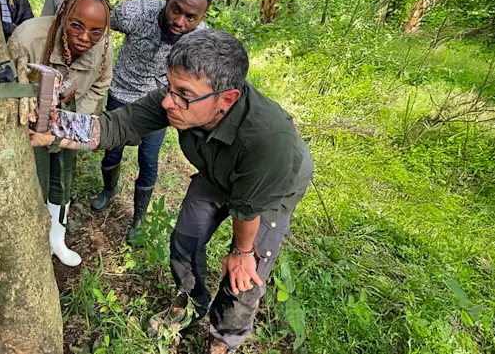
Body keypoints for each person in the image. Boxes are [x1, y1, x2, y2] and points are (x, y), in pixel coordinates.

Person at [29, 29, 314, 353]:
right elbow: (116, 126)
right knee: (185, 240)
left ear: (228, 98)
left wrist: (242, 253)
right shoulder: (179, 97)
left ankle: (223, 338)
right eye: (169, 85)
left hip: (268, 190)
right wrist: (52, 128)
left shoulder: (268, 139)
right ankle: (191, 301)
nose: (168, 101)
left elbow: (248, 210)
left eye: (182, 94)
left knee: (244, 277)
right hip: (215, 172)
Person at [90, 0, 215, 244]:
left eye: (191, 18)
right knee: (112, 152)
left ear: (201, 19)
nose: (179, 22)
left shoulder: (200, 40)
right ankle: (108, 191)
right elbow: (96, 28)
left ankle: (138, 218)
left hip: (159, 104)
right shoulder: (133, 13)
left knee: (149, 162)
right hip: (121, 93)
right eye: (175, 10)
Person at [12, 0, 113, 267]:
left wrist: (72, 122)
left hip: (69, 123)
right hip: (28, 128)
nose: (85, 38)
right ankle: (31, 240)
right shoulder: (28, 37)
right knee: (34, 182)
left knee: (63, 182)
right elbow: (9, 91)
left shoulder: (103, 47)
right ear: (62, 14)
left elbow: (100, 86)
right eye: (76, 26)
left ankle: (57, 239)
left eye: (96, 31)